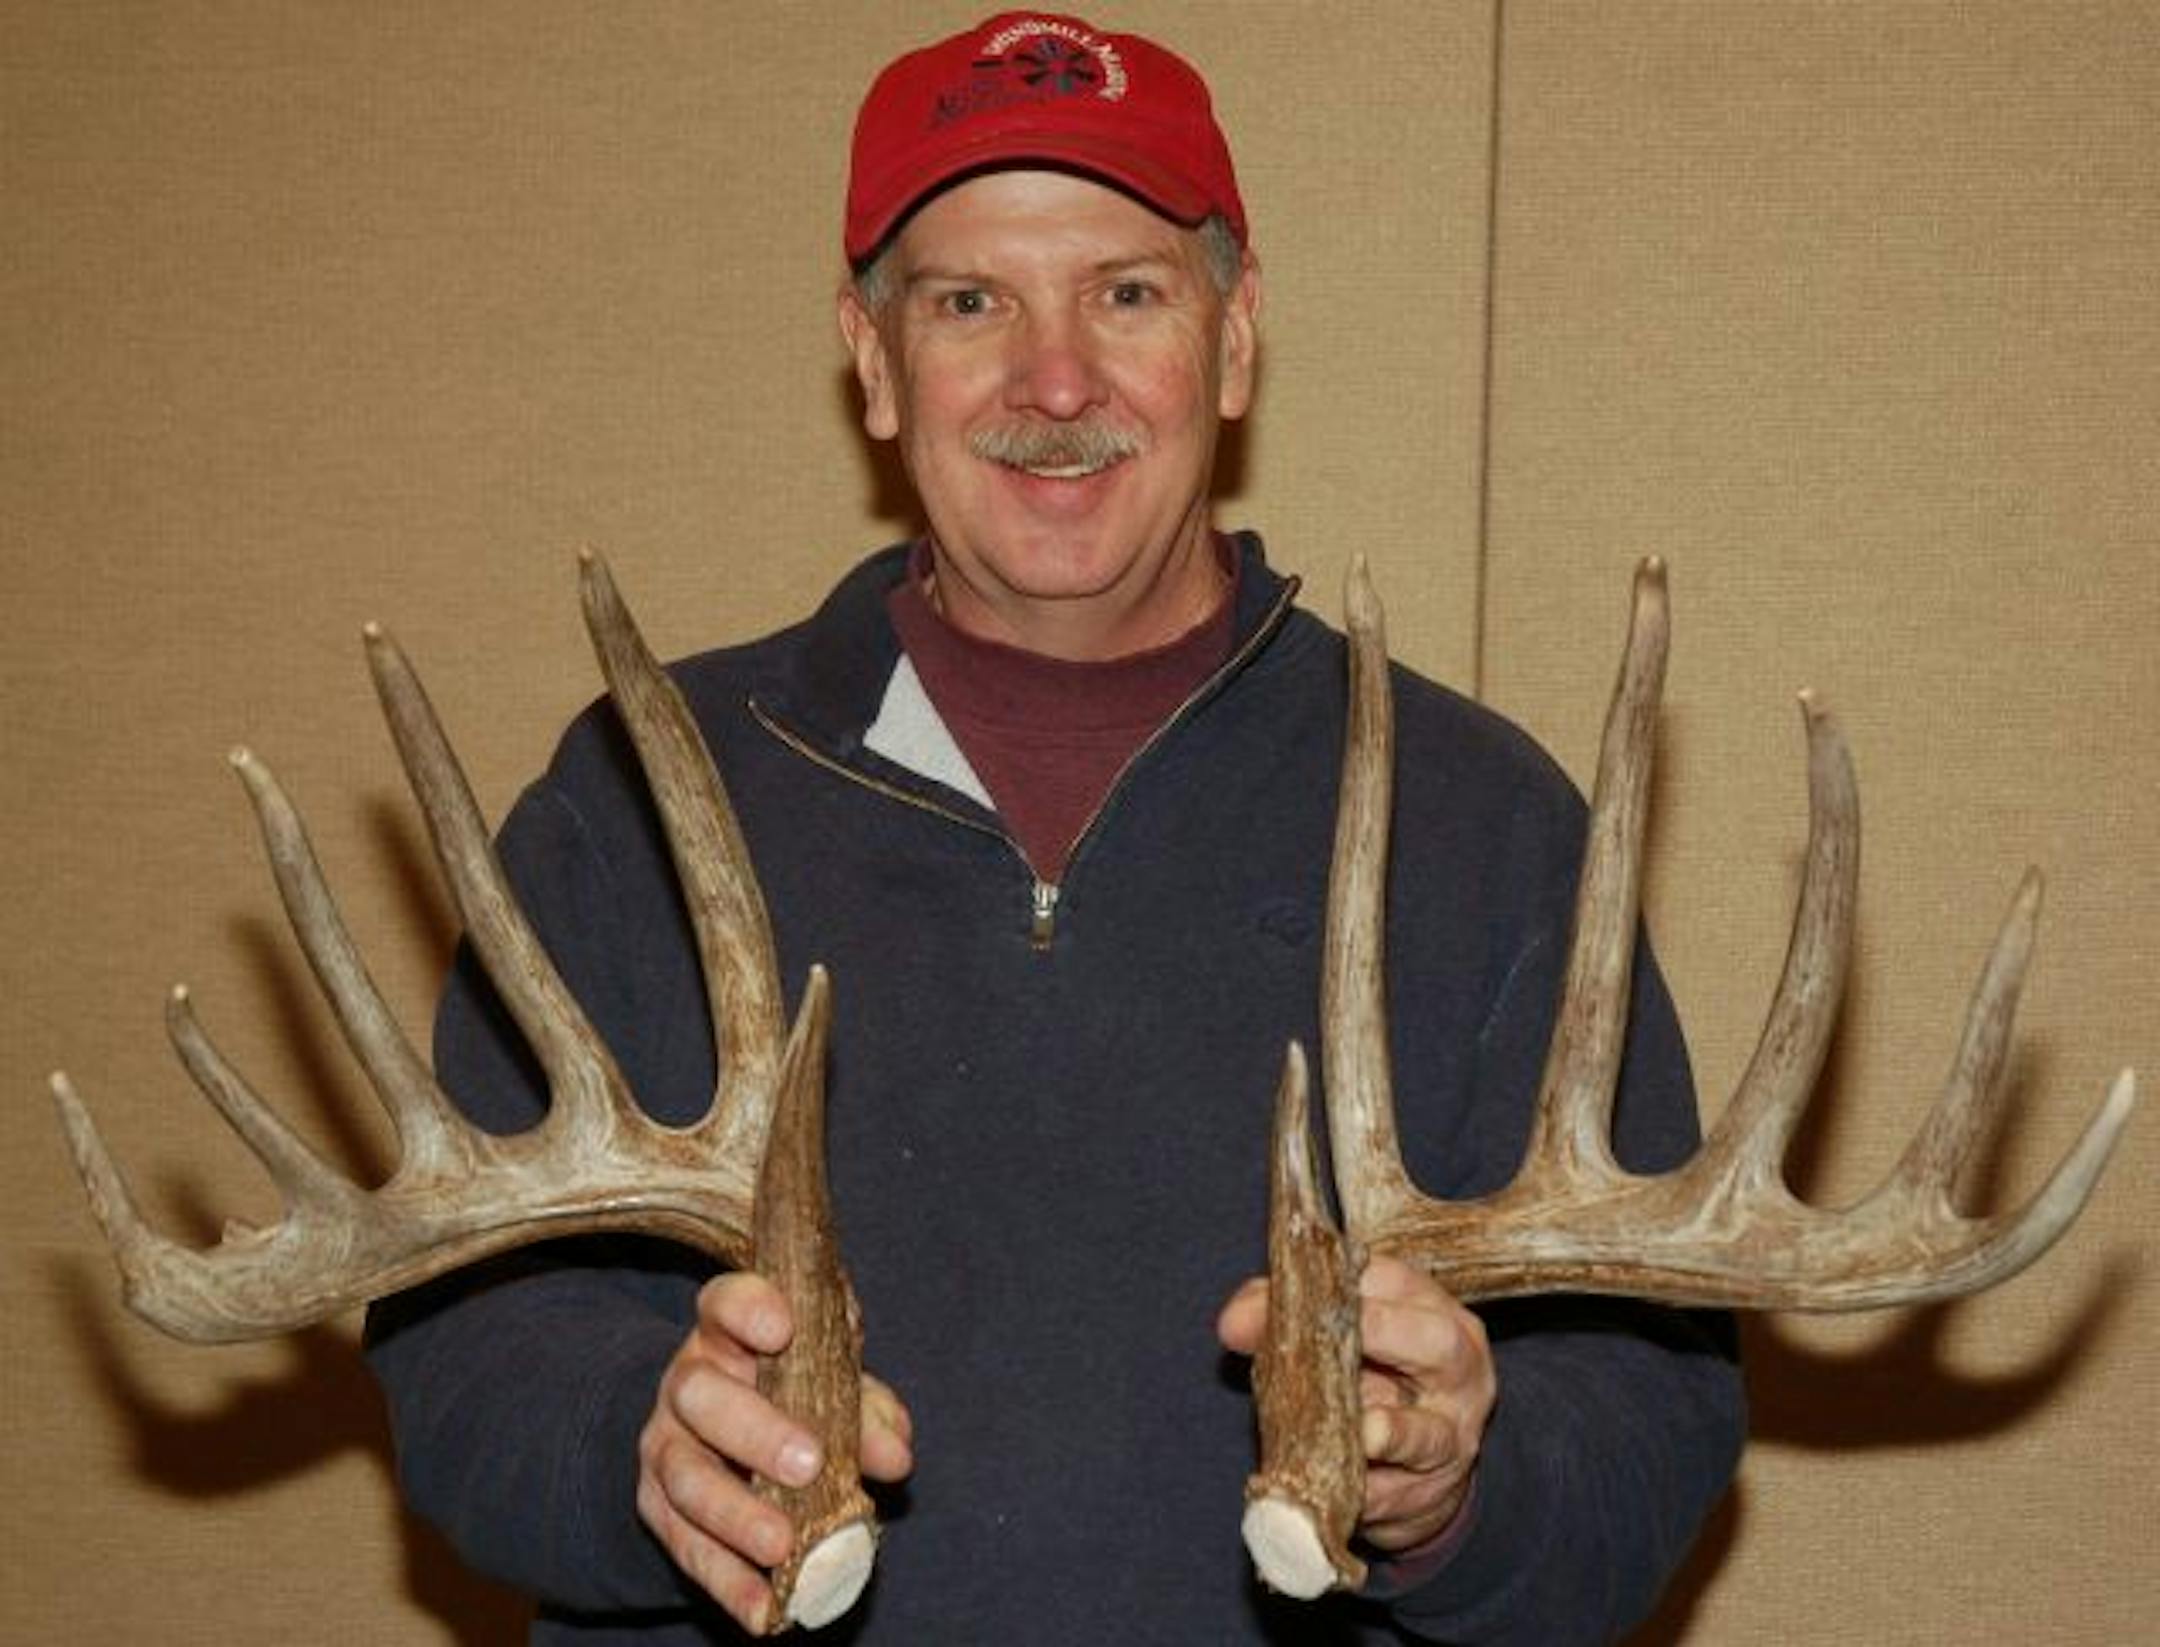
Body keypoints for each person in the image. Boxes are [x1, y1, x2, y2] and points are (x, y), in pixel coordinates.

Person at [365, 13, 1745, 1644]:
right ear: (874, 361)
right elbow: (462, 1346)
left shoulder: (1481, 821)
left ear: (1235, 340)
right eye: (971, 303)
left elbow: (1652, 1413)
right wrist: (638, 1445)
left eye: (1128, 293)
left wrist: (1467, 1485)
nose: (1058, 380)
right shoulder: (643, 796)